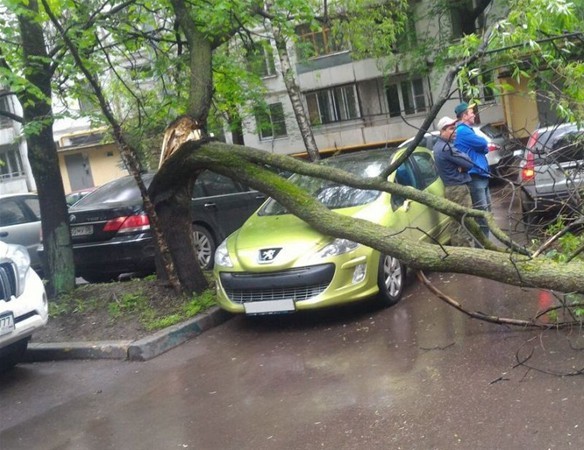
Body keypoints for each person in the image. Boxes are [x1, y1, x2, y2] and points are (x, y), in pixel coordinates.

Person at [432, 116, 474, 247]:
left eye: (455, 128)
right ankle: (466, 257)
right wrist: (461, 165)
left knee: (457, 223)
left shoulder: (442, 146)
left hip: (454, 188)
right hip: (458, 189)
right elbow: (469, 162)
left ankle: (462, 255)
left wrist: (461, 165)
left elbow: (464, 163)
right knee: (464, 223)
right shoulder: (445, 148)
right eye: (451, 129)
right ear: (442, 131)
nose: (455, 131)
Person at [453, 102, 491, 237]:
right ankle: (483, 249)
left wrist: (483, 147)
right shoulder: (462, 131)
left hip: (481, 175)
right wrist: (482, 146)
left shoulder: (468, 130)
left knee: (487, 214)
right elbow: (483, 143)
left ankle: (487, 247)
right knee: (482, 216)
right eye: (471, 113)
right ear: (464, 116)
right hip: (475, 177)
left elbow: (485, 148)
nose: (474, 114)